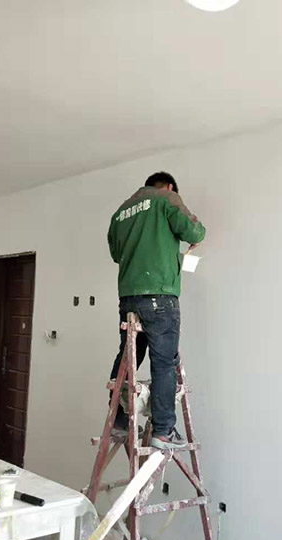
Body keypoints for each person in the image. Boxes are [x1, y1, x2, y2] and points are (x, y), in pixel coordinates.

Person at [107, 172, 206, 450]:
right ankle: (163, 431)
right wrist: (196, 235)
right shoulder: (166, 198)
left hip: (128, 297)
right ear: (170, 186)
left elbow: (116, 254)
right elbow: (194, 232)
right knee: (164, 361)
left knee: (128, 356)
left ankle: (118, 419)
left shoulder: (121, 212)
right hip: (159, 295)